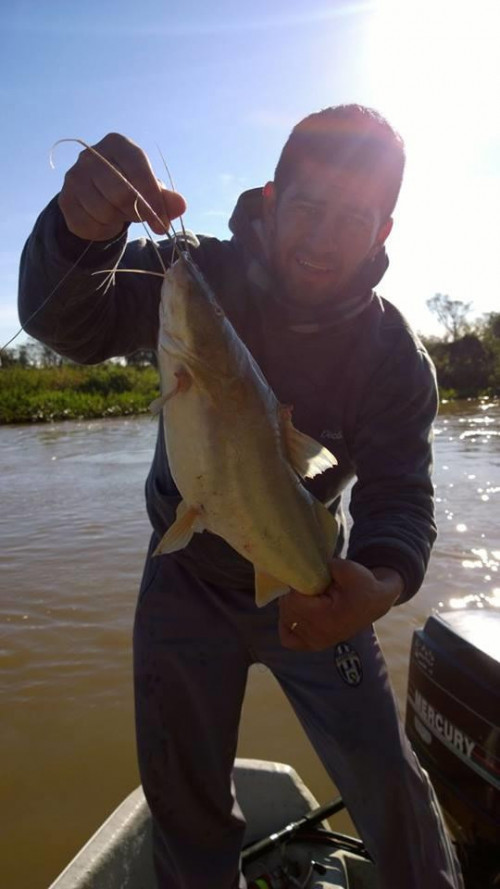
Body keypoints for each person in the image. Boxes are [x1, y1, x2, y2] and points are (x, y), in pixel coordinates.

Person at [18, 105, 464, 888]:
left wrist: (379, 581)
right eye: (308, 208)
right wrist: (77, 231)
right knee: (185, 801)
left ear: (384, 230)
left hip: (313, 578)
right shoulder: (197, 279)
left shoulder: (395, 358)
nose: (325, 237)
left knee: (388, 781)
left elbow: (402, 499)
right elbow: (65, 320)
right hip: (185, 574)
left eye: (353, 217)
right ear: (270, 196)